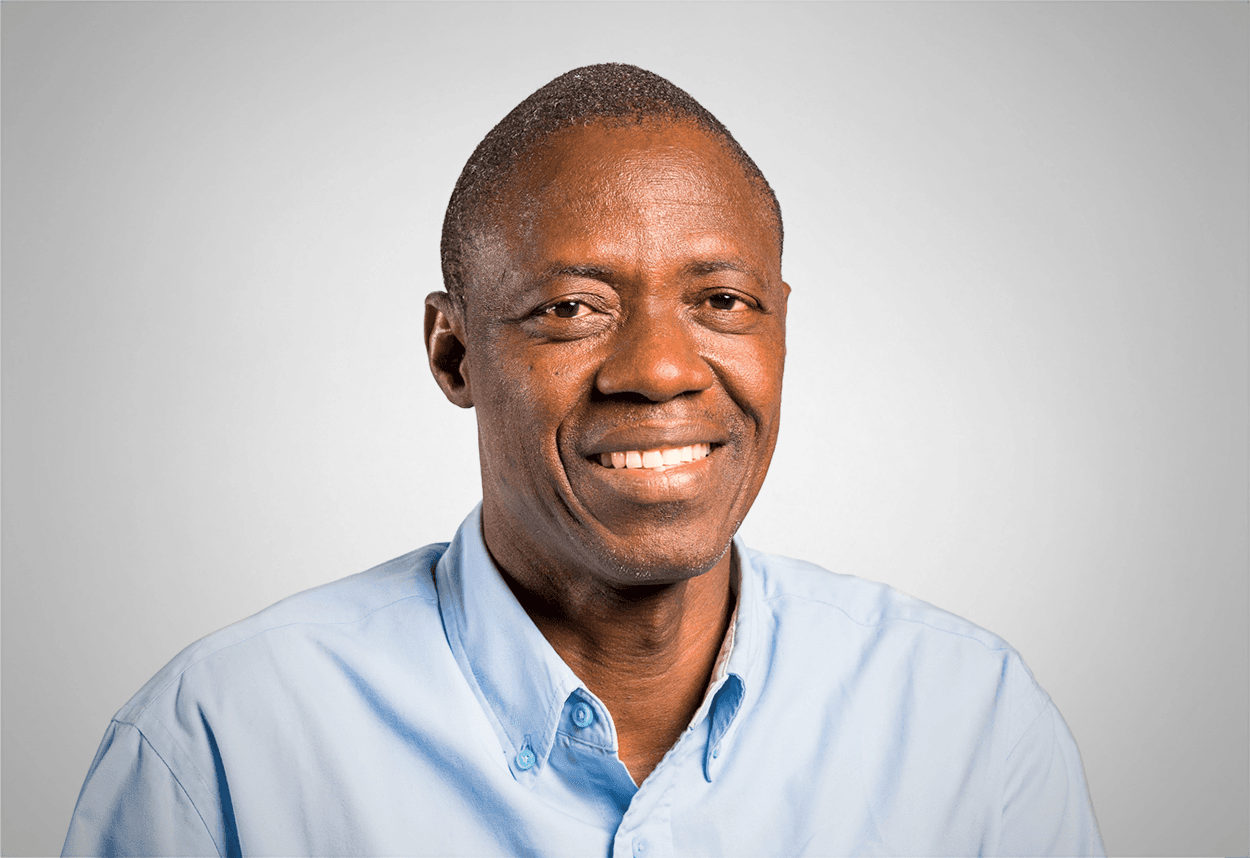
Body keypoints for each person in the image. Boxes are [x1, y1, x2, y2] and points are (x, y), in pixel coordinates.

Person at [63, 63, 1104, 857]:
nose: (657, 370)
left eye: (721, 303)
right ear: (452, 350)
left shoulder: (970, 728)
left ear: (780, 330)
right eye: (571, 308)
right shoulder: (218, 752)